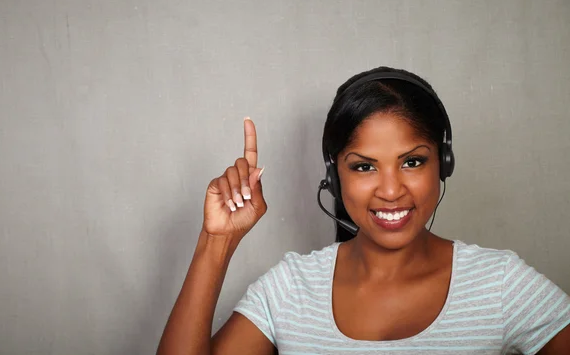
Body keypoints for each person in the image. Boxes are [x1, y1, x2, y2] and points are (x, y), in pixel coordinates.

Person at [157, 67, 570, 354]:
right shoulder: (289, 289)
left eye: (412, 161)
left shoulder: (499, 284)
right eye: (364, 166)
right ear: (334, 178)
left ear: (443, 164)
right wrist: (217, 240)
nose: (391, 190)